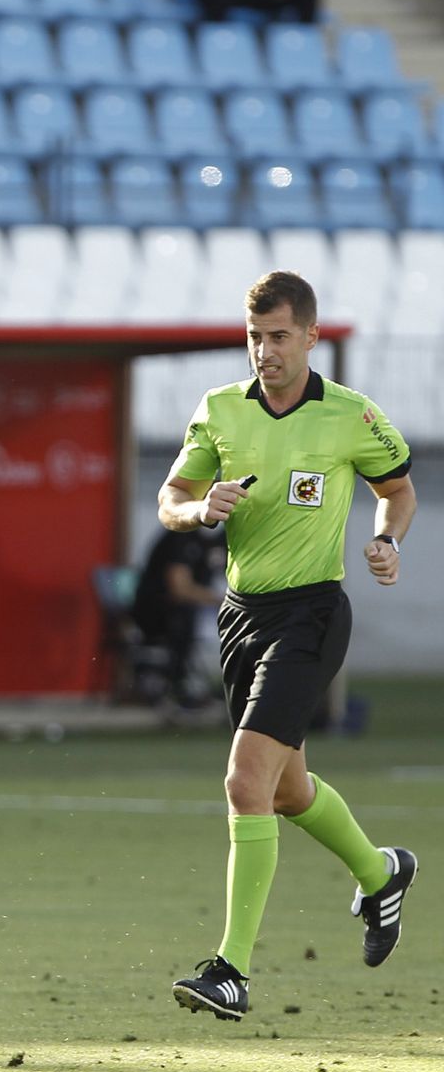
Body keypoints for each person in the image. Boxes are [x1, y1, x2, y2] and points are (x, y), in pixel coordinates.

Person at [160, 271, 417, 1022]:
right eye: (254, 337)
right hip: (241, 617)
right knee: (285, 791)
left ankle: (231, 970)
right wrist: (199, 508)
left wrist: (387, 541)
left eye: (278, 336)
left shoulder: (350, 415)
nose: (265, 351)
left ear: (310, 336)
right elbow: (171, 500)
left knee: (246, 780)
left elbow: (398, 491)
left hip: (312, 615)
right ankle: (381, 873)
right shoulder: (219, 409)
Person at [130, 523, 226, 708]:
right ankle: (179, 684)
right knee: (184, 616)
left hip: (193, 610)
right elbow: (179, 589)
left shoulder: (221, 538)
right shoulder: (182, 535)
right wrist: (221, 599)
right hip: (157, 613)